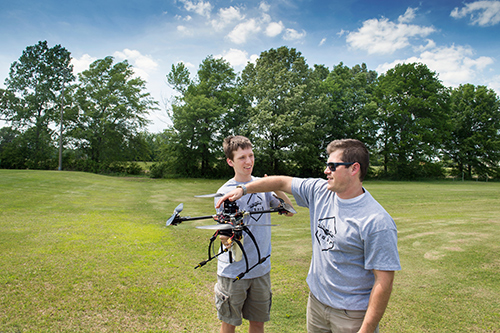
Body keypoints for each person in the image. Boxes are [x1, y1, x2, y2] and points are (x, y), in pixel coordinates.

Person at [216, 139, 401, 333]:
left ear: (354, 169)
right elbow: (281, 181)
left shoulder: (377, 221)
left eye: (332, 166)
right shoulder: (321, 191)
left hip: (351, 315)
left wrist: (366, 330)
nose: (326, 171)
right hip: (316, 305)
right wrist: (243, 189)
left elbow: (384, 281)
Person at [214, 135, 295, 333]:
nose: (249, 161)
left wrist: (275, 187)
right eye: (242, 157)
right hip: (233, 271)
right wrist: (227, 238)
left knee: (258, 323)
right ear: (230, 161)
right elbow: (224, 234)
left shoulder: (263, 187)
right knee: (229, 323)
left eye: (251, 155)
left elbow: (290, 211)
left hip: (260, 269)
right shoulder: (223, 192)